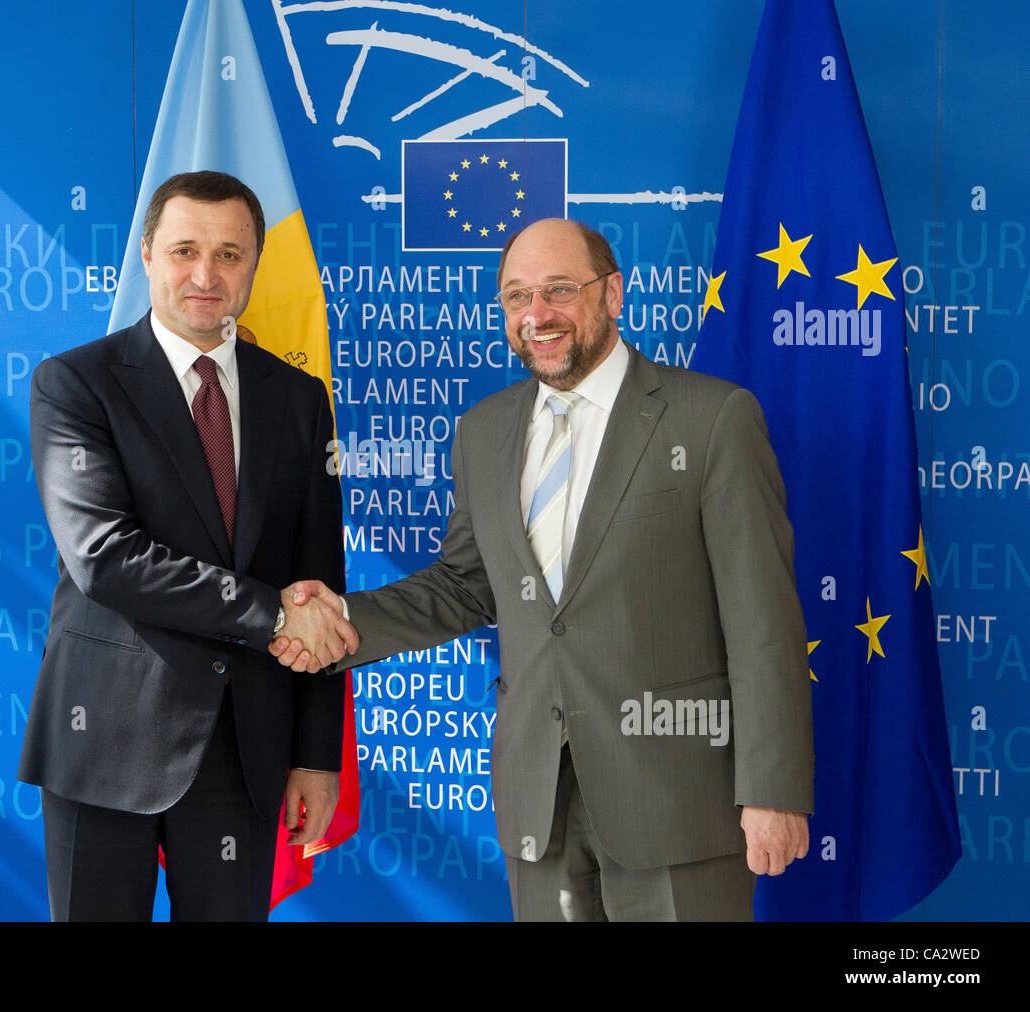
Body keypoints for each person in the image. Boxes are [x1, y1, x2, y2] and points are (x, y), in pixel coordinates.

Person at [274, 218, 814, 921]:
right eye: (516, 297)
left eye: (559, 290)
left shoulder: (710, 420)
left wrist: (772, 789)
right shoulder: (485, 430)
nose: (537, 315)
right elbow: (464, 585)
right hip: (540, 803)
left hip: (678, 802)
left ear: (613, 294)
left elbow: (763, 621)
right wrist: (342, 620)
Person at [18, 170, 357, 921]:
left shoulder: (297, 400)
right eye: (184, 250)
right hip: (103, 740)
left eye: (230, 254)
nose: (206, 275)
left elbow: (318, 582)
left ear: (255, 266)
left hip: (245, 744)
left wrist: (316, 752)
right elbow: (105, 556)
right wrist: (271, 615)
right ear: (146, 255)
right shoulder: (76, 383)